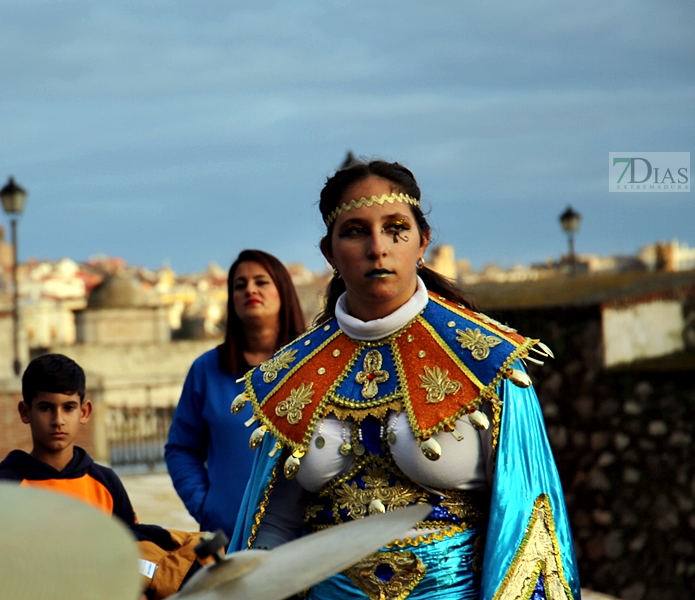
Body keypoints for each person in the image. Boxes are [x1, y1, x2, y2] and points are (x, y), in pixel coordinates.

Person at [230, 160, 579, 599]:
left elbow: (528, 523)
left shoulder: (490, 363)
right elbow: (274, 524)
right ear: (328, 252)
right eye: (355, 231)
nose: (378, 247)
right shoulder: (289, 379)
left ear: (422, 242)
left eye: (395, 228)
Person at [164, 249, 305, 537]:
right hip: (231, 536)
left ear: (283, 291)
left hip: (304, 539)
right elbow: (181, 449)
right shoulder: (206, 370)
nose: (250, 290)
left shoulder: (312, 366)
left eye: (261, 282)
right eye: (239, 285)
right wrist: (206, 507)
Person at [0, 353, 136, 525]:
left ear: (84, 412)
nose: (58, 420)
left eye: (68, 408)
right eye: (45, 408)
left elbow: (132, 544)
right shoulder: (5, 488)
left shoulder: (106, 483)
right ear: (25, 412)